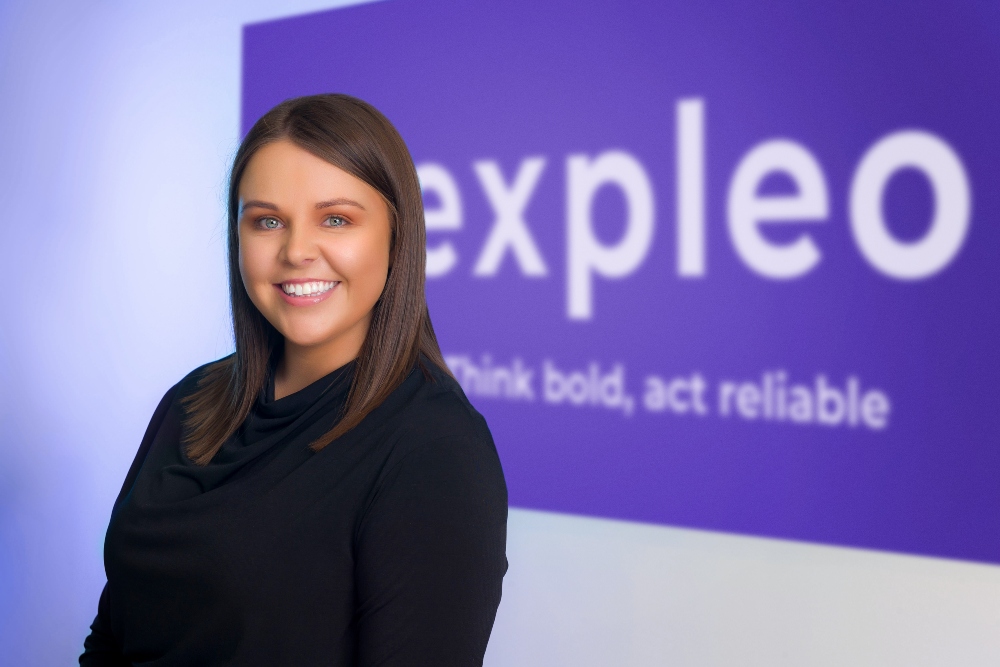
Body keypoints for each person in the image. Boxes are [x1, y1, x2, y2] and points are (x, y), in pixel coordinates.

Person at [79, 94, 508, 666]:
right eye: (267, 221)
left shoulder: (436, 449)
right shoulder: (191, 401)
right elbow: (113, 634)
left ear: (397, 236)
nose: (296, 251)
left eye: (336, 219)